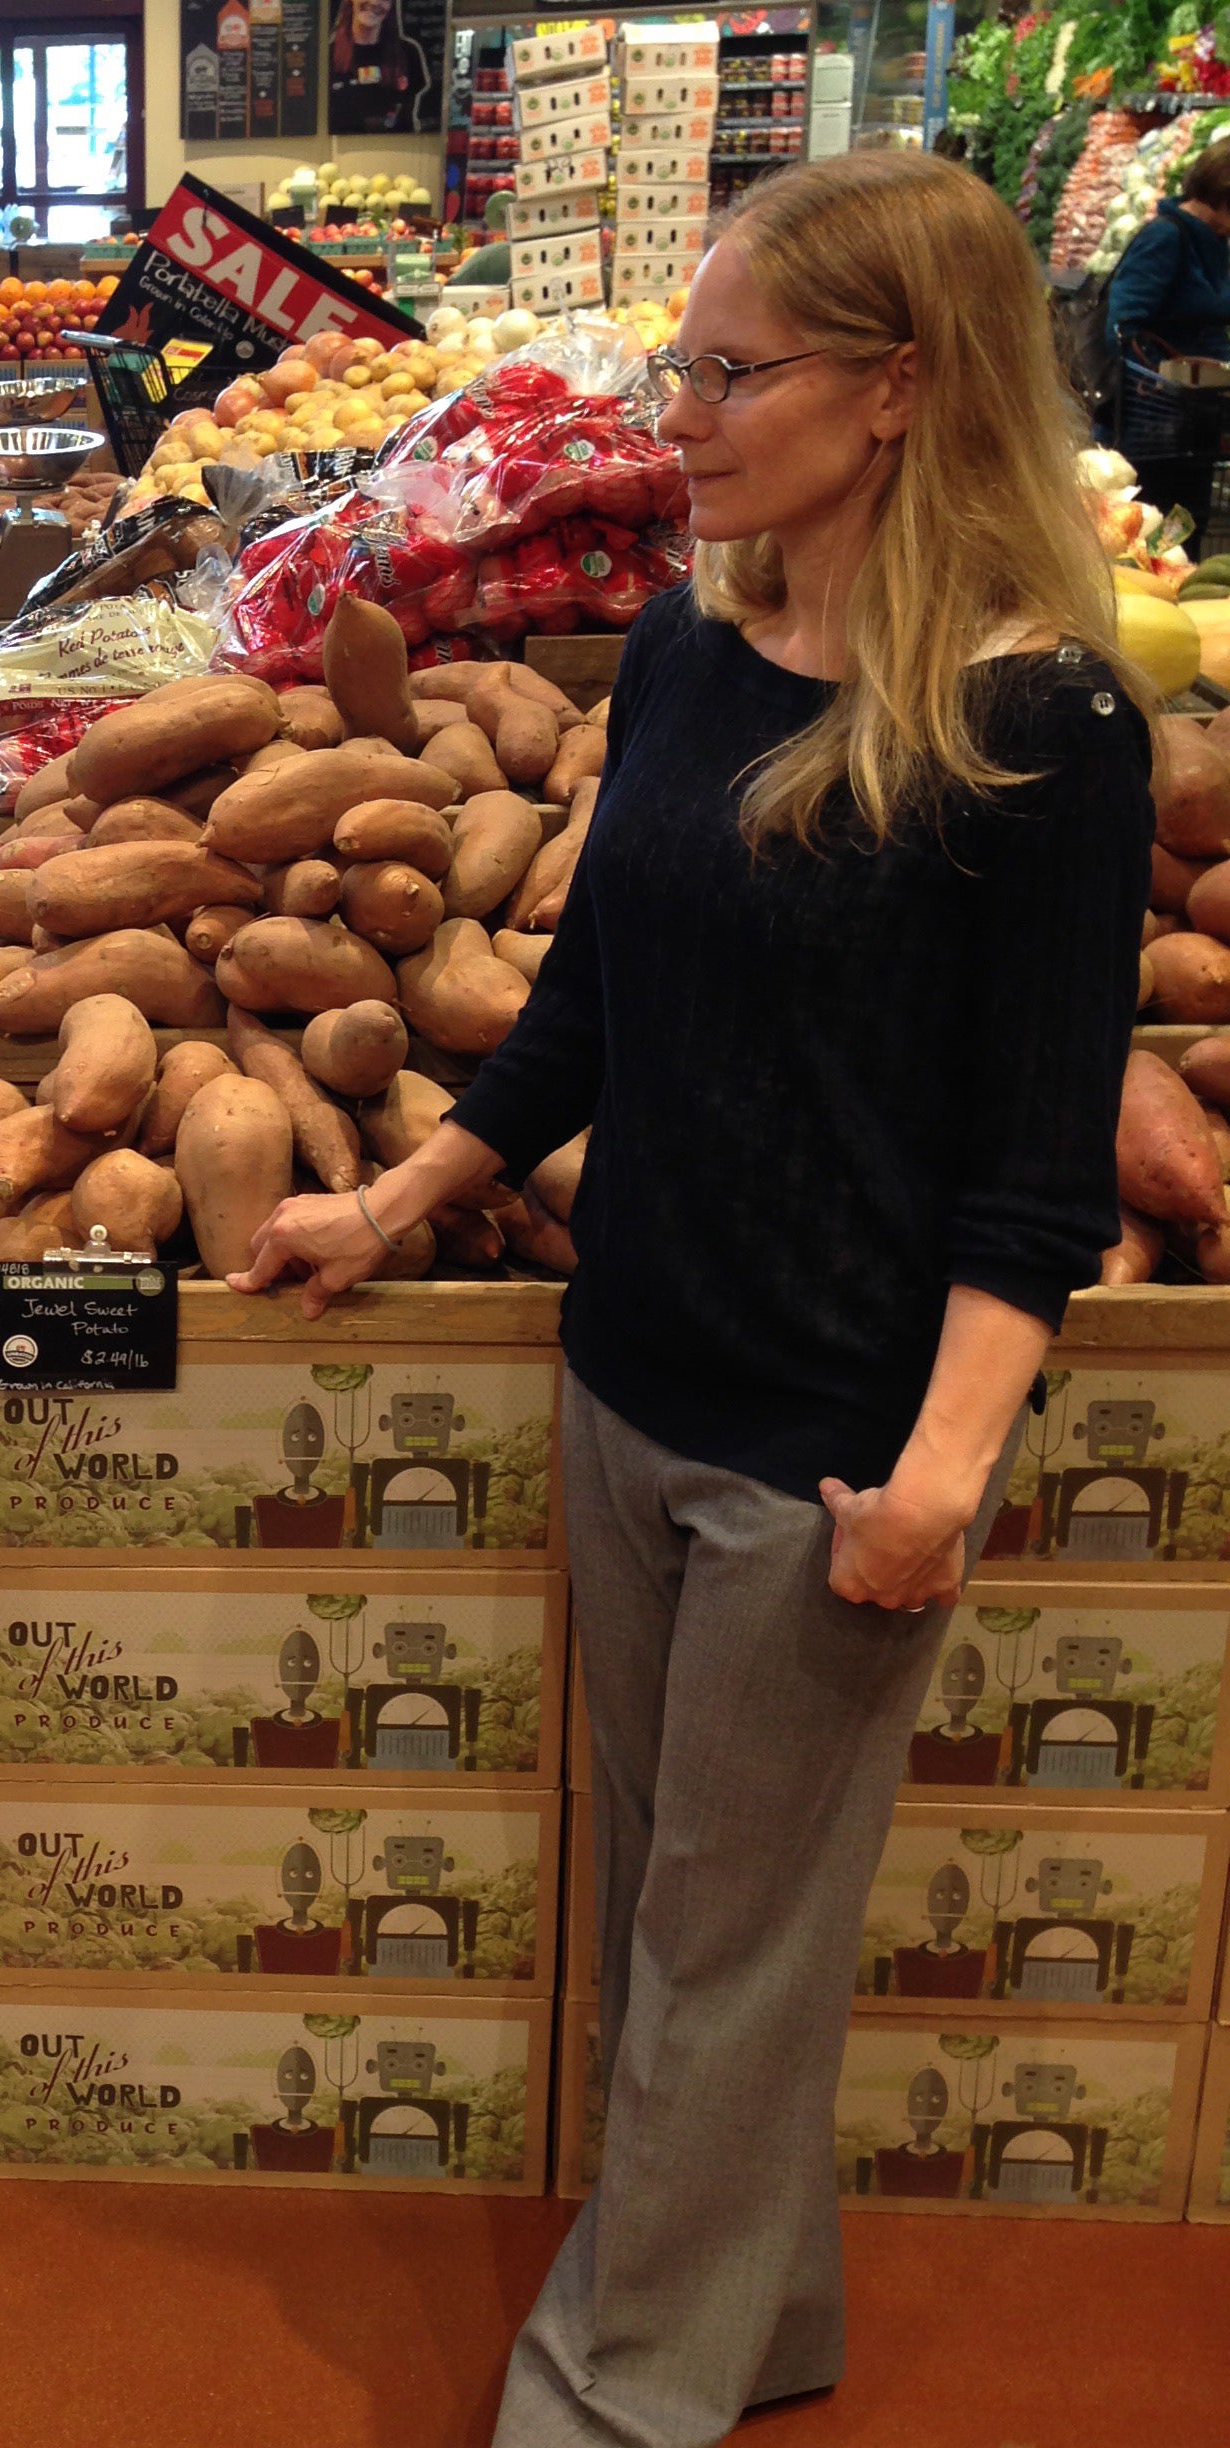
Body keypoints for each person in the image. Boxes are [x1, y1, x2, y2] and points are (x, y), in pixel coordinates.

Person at [232, 152, 1150, 2447]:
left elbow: (1031, 1175)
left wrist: (930, 1478)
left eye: (730, 370)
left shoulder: (1043, 728)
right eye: (687, 358)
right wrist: (397, 1197)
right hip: (624, 1378)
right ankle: (763, 2320)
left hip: (816, 1457)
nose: (680, 407)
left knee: (712, 1960)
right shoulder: (678, 643)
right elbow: (585, 1019)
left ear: (892, 390)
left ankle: (615, 2394)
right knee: (684, 1916)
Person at [1106, 139, 1230, 524]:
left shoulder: (1216, 243)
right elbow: (1122, 325)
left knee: (1187, 525)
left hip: (1197, 419)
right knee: (1154, 525)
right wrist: (1170, 374)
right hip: (1153, 424)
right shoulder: (1166, 238)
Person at [330, 0, 428, 135]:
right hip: (344, 151)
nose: (375, 2)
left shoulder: (408, 53)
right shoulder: (328, 56)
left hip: (397, 151)